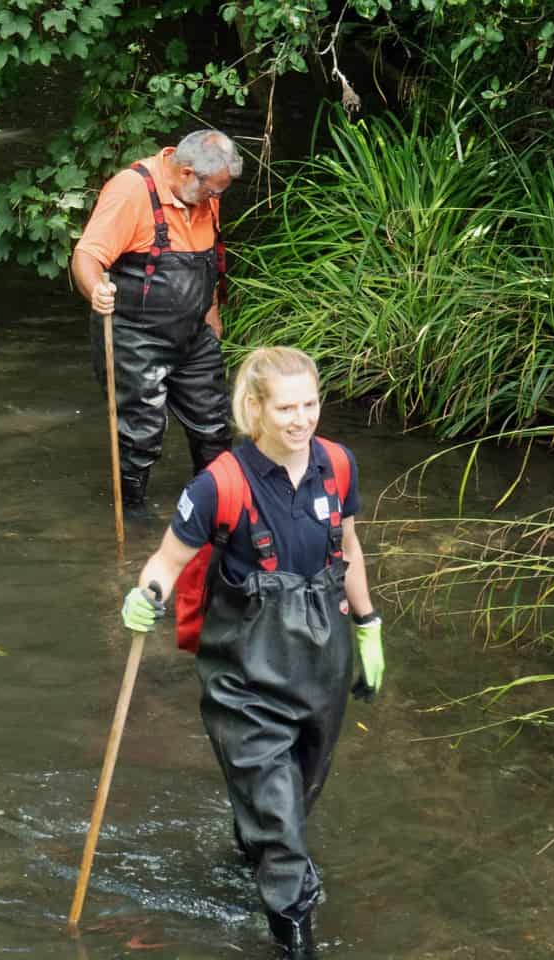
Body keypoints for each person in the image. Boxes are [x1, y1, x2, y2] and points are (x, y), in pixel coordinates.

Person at [119, 347, 385, 957]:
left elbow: (349, 549)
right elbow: (166, 562)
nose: (301, 420)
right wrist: (146, 596)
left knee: (296, 797)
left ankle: (255, 849)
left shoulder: (338, 466)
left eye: (310, 404)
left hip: (323, 664)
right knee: (282, 826)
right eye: (286, 407)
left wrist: (368, 625)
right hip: (244, 678)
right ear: (255, 409)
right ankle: (294, 936)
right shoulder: (220, 485)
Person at [72, 129, 243, 507]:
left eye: (220, 191)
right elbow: (86, 256)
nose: (216, 199)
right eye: (213, 191)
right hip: (135, 336)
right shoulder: (131, 191)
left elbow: (208, 257)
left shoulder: (204, 189)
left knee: (215, 428)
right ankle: (133, 517)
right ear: (186, 173)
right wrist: (95, 290)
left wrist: (212, 315)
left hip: (194, 335)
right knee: (140, 435)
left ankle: (218, 512)